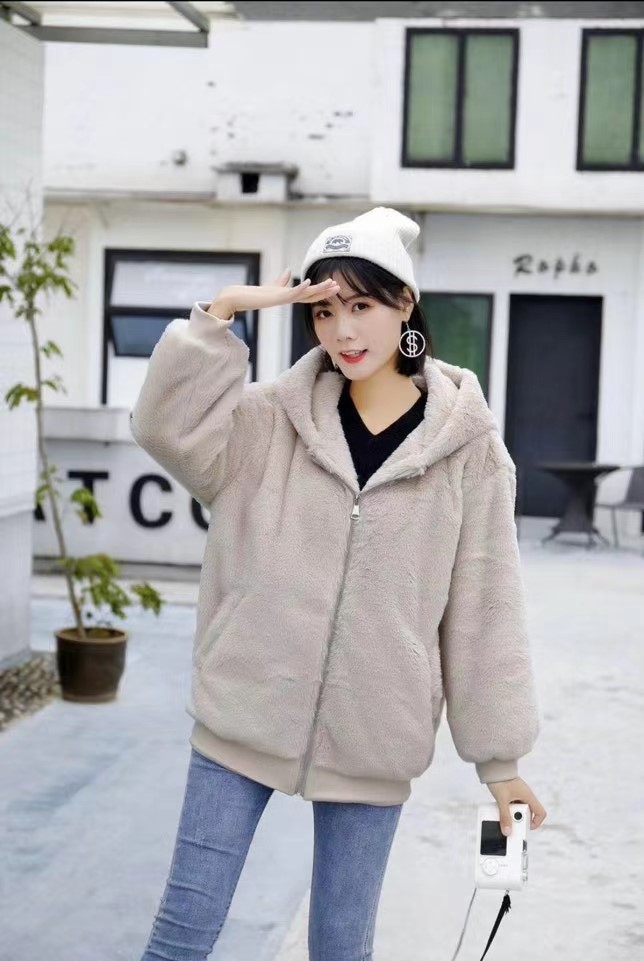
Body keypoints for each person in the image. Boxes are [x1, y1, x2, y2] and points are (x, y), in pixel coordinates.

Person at [131, 206, 547, 961]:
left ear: (404, 304)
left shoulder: (469, 452)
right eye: (324, 311)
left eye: (361, 306)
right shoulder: (268, 421)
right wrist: (219, 317)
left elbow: (485, 610)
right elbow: (166, 429)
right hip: (243, 710)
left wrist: (501, 765)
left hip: (375, 736)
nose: (343, 332)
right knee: (180, 936)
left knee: (340, 948)